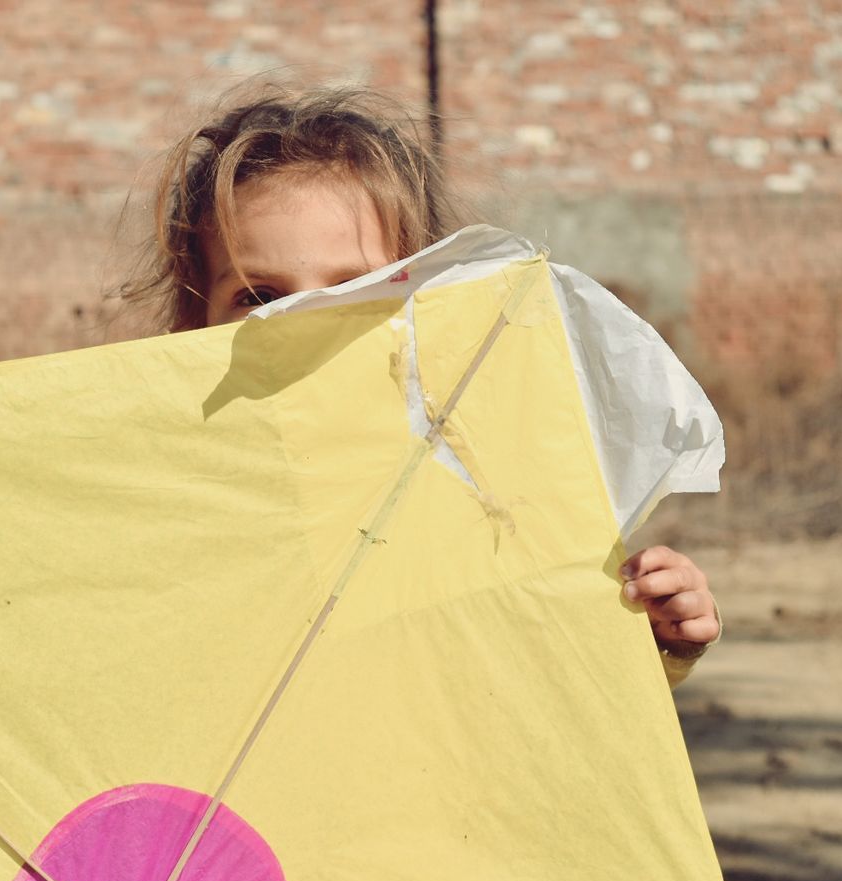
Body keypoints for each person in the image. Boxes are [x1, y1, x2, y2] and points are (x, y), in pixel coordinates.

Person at [115, 82, 719, 687]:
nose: (305, 329)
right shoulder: (160, 499)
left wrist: (655, 640)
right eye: (260, 297)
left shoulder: (479, 490)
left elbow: (533, 674)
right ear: (194, 320)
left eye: (355, 293)